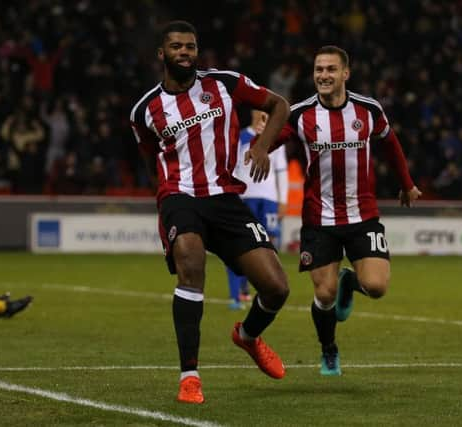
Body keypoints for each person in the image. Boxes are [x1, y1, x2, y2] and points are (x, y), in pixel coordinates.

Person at [129, 20, 291, 404]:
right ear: (161, 54)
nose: (184, 52)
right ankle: (190, 376)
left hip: (224, 197)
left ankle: (247, 337)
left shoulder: (224, 83)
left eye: (190, 46)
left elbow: (279, 105)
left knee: (276, 287)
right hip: (180, 195)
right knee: (190, 259)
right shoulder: (144, 110)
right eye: (176, 46)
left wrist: (263, 146)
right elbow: (152, 158)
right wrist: (172, 195)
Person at [269, 46, 422, 376]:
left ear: (345, 74)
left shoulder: (368, 110)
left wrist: (406, 183)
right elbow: (273, 138)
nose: (323, 75)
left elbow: (391, 144)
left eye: (330, 69)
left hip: (362, 215)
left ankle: (350, 282)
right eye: (318, 69)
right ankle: (329, 349)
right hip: (318, 218)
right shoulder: (300, 114)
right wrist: (256, 150)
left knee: (377, 287)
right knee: (324, 295)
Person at [227, 110, 288, 310]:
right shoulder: (240, 136)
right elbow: (232, 167)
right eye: (260, 109)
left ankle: (265, 288)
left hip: (269, 198)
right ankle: (239, 292)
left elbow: (281, 170)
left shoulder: (275, 137)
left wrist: (283, 200)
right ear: (253, 112)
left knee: (268, 244)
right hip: (246, 196)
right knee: (241, 245)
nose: (264, 113)